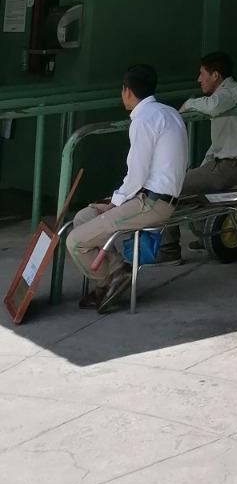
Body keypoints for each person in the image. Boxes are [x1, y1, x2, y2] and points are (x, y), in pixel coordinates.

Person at [66, 63, 187, 313]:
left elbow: (136, 174)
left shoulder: (143, 120)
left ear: (127, 91)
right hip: (150, 197)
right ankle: (111, 279)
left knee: (75, 242)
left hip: (152, 203)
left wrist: (114, 203)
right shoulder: (169, 112)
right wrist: (117, 201)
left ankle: (114, 275)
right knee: (83, 217)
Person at [157, 50, 237, 262]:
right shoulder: (225, 96)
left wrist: (189, 103)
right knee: (189, 183)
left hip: (234, 169)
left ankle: (169, 250)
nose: (199, 79)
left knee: (166, 188)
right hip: (227, 166)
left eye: (202, 74)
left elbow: (213, 106)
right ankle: (209, 236)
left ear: (215, 75)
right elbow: (218, 145)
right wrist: (203, 168)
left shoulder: (234, 92)